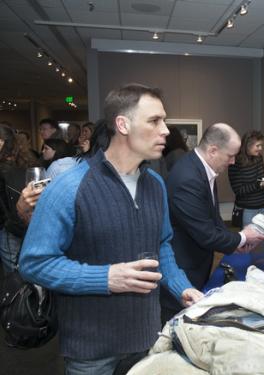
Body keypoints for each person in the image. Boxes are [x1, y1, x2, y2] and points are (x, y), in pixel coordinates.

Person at [19, 83, 203, 375]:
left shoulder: (155, 185)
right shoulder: (70, 186)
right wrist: (106, 278)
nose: (166, 130)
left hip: (145, 339)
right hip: (91, 351)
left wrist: (182, 288)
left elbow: (163, 245)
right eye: (155, 121)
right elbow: (34, 262)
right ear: (123, 124)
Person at [163, 123, 264, 323]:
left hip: (198, 262)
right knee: (179, 322)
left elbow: (213, 218)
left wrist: (235, 243)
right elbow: (206, 233)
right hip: (183, 268)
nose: (233, 161)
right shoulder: (188, 177)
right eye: (230, 156)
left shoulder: (202, 169)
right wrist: (244, 236)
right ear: (212, 150)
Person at [0, 124, 39, 272]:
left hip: (11, 228)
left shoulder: (4, 168)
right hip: (29, 224)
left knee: (15, 274)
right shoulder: (27, 162)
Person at [228, 130, 264, 228]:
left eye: (261, 145)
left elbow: (263, 174)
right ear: (248, 145)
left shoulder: (258, 157)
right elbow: (238, 190)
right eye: (258, 146)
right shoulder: (235, 163)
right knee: (250, 241)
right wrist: (258, 185)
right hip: (248, 209)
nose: (260, 148)